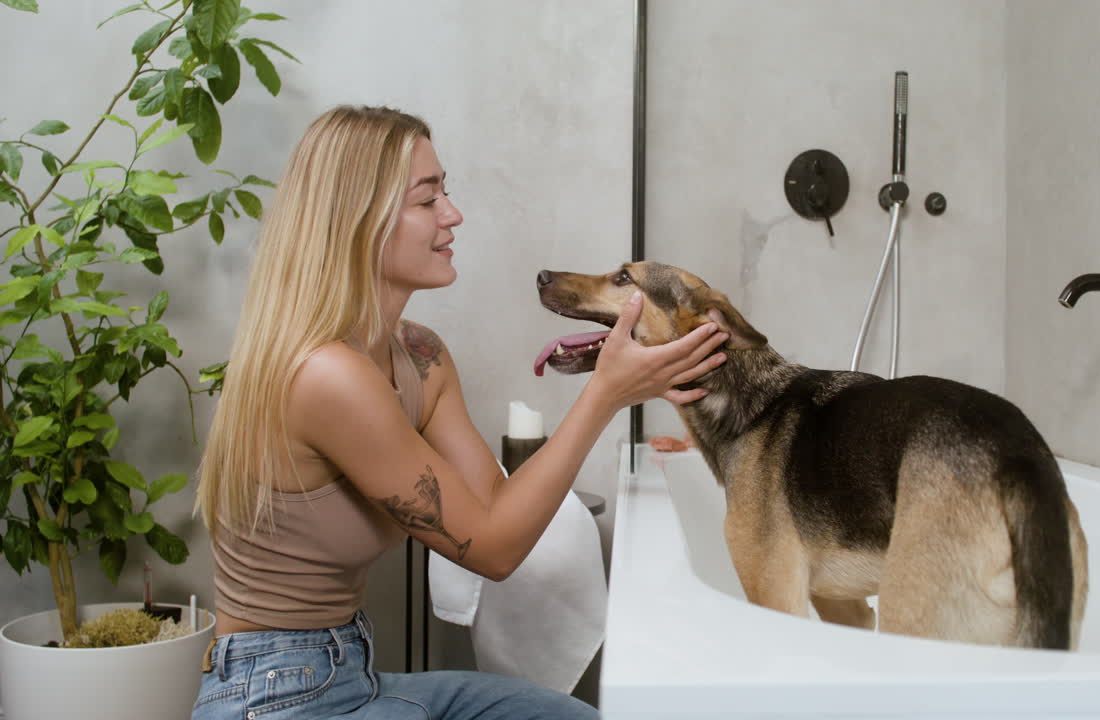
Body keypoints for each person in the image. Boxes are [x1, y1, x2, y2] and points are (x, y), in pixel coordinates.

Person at [192, 105, 728, 720]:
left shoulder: (420, 354)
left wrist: (636, 377)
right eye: (427, 199)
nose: (453, 214)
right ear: (358, 217)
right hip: (276, 695)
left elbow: (493, 512)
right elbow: (491, 552)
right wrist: (605, 395)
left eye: (446, 190)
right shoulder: (327, 375)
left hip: (352, 673)